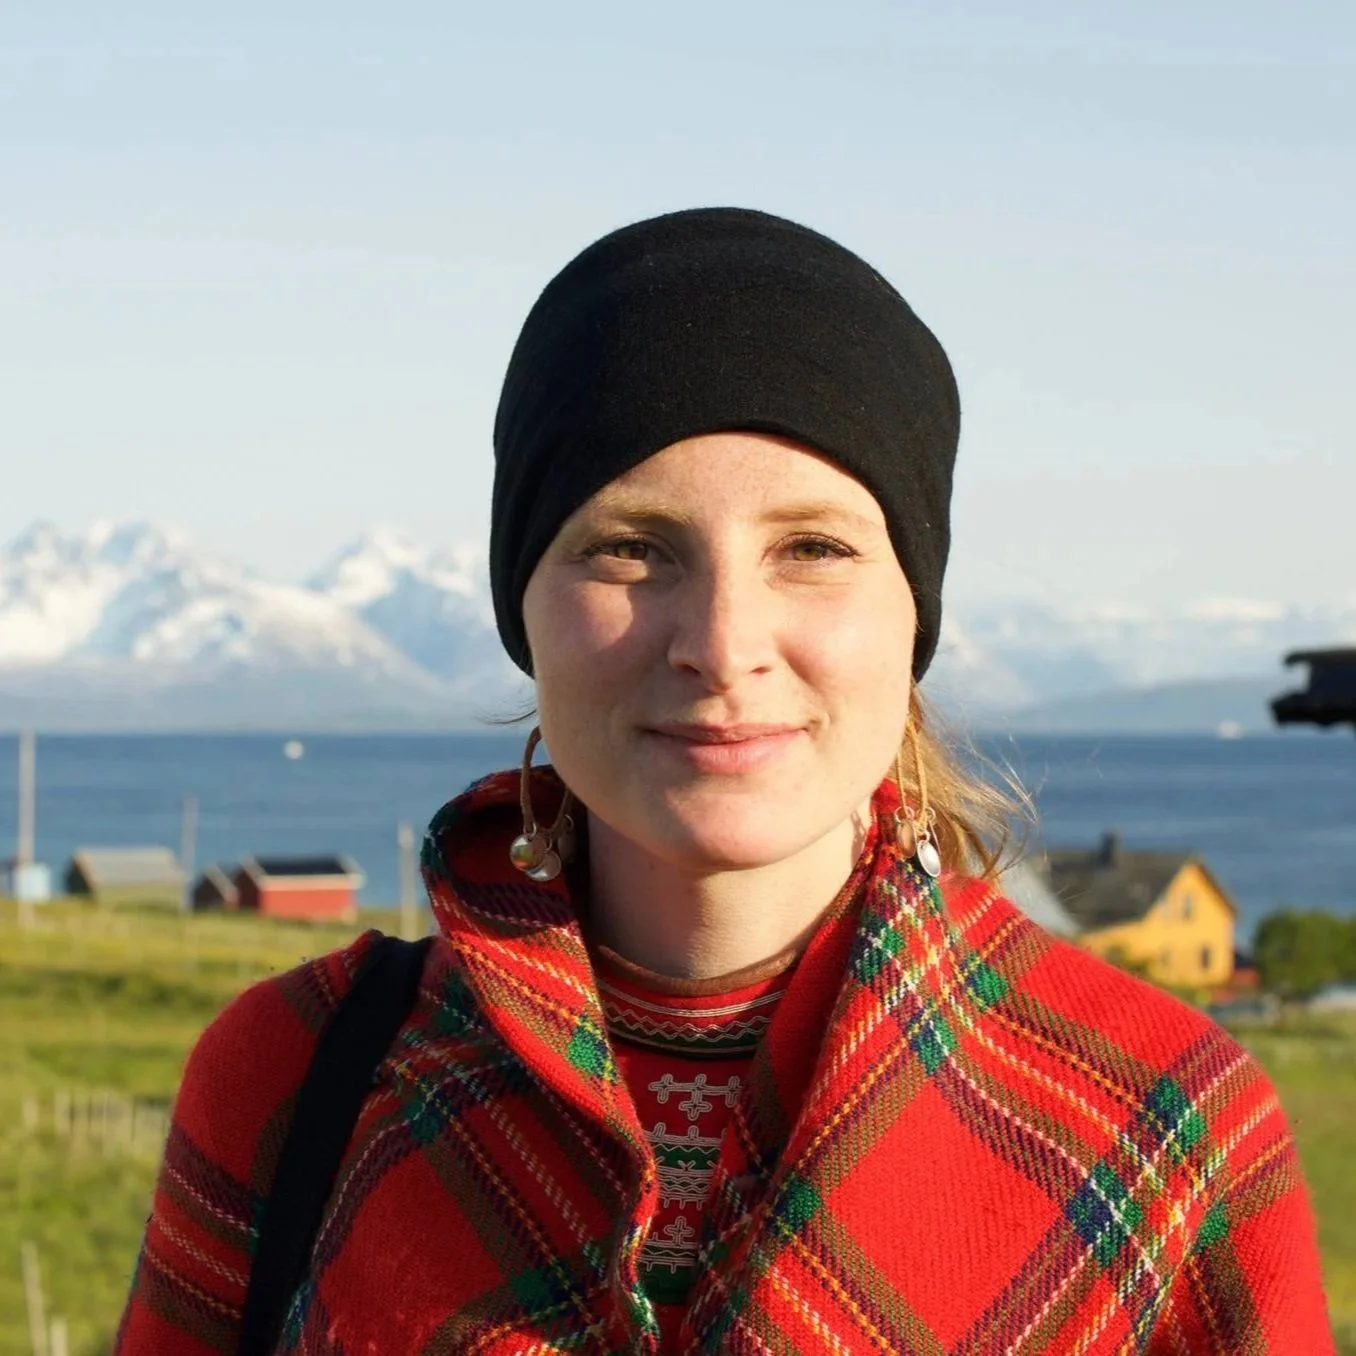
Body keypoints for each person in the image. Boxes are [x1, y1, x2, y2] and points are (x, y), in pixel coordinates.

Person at [116, 208, 1334, 1354]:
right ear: (522, 608)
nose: (722, 642)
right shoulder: (301, 1074)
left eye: (812, 548)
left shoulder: (1157, 1128)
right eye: (631, 548)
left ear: (913, 614)